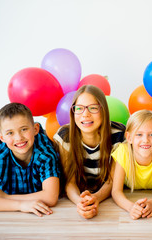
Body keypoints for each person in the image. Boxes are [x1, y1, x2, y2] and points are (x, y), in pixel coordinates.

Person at [0, 103, 60, 217]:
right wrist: (21, 205)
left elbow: (50, 197)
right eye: (10, 133)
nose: (18, 138)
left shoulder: (45, 154)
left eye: (24, 129)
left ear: (35, 129)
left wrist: (4, 197)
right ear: (2, 137)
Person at [54, 85, 125, 219]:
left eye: (93, 108)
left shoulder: (119, 134)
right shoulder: (64, 136)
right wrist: (80, 202)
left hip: (108, 195)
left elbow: (112, 180)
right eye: (79, 108)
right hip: (78, 193)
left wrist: (96, 198)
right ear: (73, 112)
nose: (85, 114)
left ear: (103, 110)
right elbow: (70, 182)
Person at [111, 110, 152, 220]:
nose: (145, 140)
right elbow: (116, 191)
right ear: (129, 138)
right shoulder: (123, 153)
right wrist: (131, 207)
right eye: (139, 134)